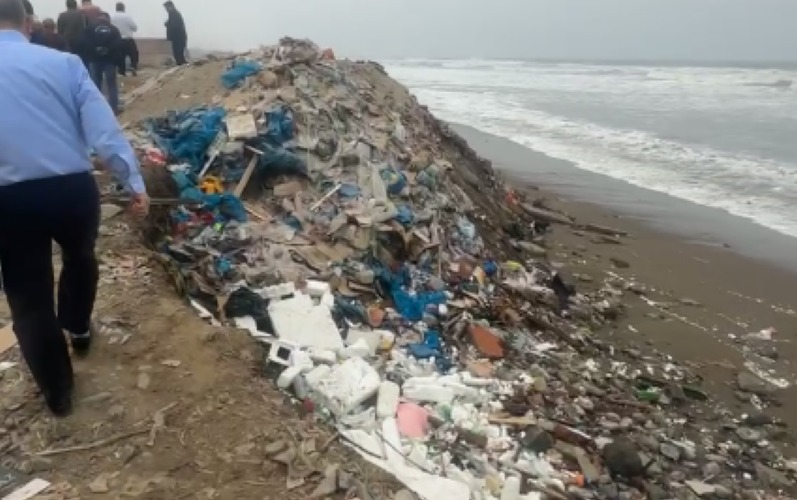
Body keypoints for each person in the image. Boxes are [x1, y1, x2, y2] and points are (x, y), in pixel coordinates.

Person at [0, 0, 149, 417]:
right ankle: (78, 325)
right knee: (80, 257)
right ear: (28, 24)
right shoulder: (63, 64)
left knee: (28, 297)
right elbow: (104, 131)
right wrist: (133, 183)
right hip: (70, 189)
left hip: (8, 199)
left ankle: (59, 393)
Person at [84, 11, 123, 114]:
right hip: (110, 60)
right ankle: (114, 109)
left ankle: (96, 109)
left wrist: (95, 51)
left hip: (95, 60)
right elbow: (118, 45)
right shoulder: (114, 29)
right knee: (111, 85)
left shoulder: (90, 28)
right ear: (108, 19)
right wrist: (108, 51)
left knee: (95, 85)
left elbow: (85, 43)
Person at [111, 2, 137, 76]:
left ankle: (122, 71)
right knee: (134, 54)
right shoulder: (127, 16)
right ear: (123, 8)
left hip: (117, 40)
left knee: (121, 56)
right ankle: (133, 66)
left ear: (116, 8)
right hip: (128, 39)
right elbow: (134, 27)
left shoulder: (112, 17)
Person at [163, 1, 186, 65]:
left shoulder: (175, 14)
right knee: (177, 54)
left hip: (179, 38)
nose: (166, 10)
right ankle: (181, 64)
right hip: (176, 38)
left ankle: (181, 65)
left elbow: (174, 26)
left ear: (171, 6)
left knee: (179, 54)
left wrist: (167, 24)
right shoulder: (172, 14)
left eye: (167, 8)